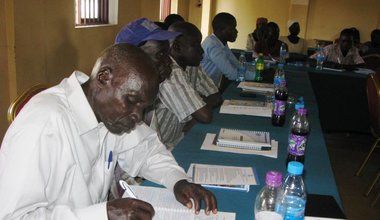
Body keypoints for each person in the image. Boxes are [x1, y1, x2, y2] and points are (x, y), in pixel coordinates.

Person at [0, 44, 217, 219]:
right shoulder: (43, 125)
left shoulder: (109, 113)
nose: (138, 116)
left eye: (144, 108)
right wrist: (102, 213)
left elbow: (148, 151)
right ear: (104, 77)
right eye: (132, 101)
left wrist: (178, 181)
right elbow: (13, 216)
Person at [152, 21, 222, 150]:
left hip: (178, 138)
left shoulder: (191, 64)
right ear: (177, 47)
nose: (201, 51)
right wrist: (198, 109)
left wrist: (196, 111)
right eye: (195, 45)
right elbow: (205, 116)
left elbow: (216, 96)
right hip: (161, 148)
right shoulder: (170, 72)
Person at [201, 12, 247, 88]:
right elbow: (232, 74)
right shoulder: (212, 45)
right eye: (232, 28)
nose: (236, 31)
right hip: (202, 89)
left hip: (211, 87)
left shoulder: (221, 43)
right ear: (220, 30)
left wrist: (256, 72)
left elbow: (237, 64)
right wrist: (256, 76)